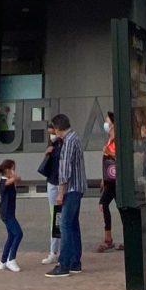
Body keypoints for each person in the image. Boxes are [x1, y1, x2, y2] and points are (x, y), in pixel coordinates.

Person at [47, 112, 85, 279]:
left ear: (57, 128)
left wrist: (60, 193)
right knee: (73, 225)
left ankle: (64, 264)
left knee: (65, 226)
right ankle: (75, 262)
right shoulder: (74, 138)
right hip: (78, 187)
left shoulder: (68, 141)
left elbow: (65, 170)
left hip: (71, 189)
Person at [38, 124, 64, 265]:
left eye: (52, 132)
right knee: (54, 218)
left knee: (60, 218)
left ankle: (60, 252)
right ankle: (53, 251)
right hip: (52, 182)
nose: (51, 136)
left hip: (61, 184)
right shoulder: (52, 146)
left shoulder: (63, 144)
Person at [0, 158, 24, 270]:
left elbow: (18, 179)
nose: (14, 171)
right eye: (13, 169)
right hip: (7, 213)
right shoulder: (3, 182)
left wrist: (14, 176)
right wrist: (13, 175)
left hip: (10, 212)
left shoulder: (9, 180)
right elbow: (14, 179)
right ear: (7, 170)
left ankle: (3, 261)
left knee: (11, 235)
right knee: (18, 234)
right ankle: (11, 259)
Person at [98, 112, 119, 252]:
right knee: (104, 205)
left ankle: (108, 239)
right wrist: (103, 178)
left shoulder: (117, 140)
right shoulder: (109, 140)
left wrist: (109, 152)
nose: (105, 123)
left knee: (105, 204)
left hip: (116, 180)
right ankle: (108, 238)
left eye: (107, 121)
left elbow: (119, 157)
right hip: (109, 180)